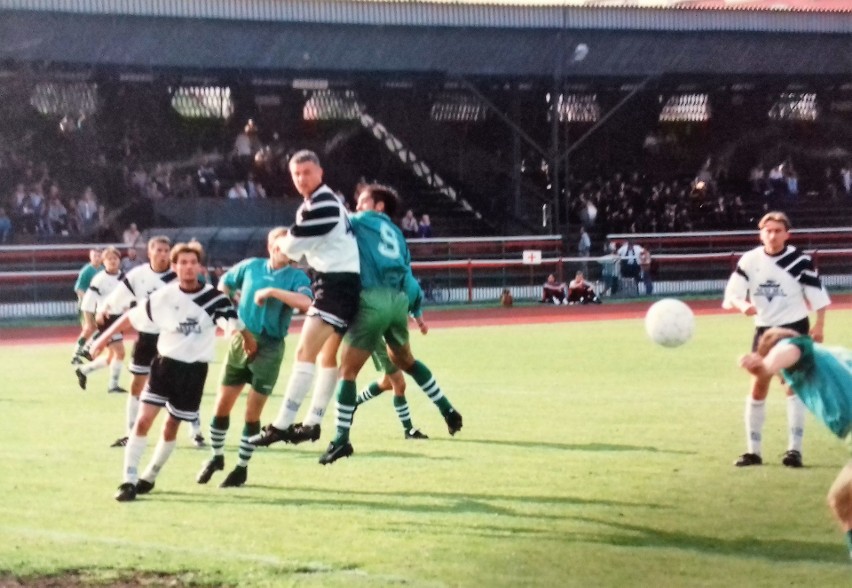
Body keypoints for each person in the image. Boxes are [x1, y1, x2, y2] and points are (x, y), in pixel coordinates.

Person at [91, 241, 254, 502]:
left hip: (194, 372)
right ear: (175, 267)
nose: (188, 267)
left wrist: (239, 336)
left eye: (193, 263)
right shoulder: (164, 296)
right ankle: (128, 480)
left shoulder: (214, 297)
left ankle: (150, 476)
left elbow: (233, 323)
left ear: (200, 267)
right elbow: (130, 317)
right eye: (183, 263)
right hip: (164, 366)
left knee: (171, 426)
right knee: (144, 421)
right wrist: (101, 340)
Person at [316, 183, 462, 465]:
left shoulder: (357, 222)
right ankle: (447, 410)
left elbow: (332, 219)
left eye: (362, 201)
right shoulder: (397, 233)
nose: (357, 206)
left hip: (372, 299)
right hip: (398, 301)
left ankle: (340, 440)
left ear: (378, 205)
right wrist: (416, 309)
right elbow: (408, 275)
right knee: (407, 362)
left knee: (347, 372)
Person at [247, 150, 360, 447]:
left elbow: (290, 250)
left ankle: (282, 425)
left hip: (335, 286)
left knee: (304, 354)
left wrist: (283, 243)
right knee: (325, 357)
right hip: (340, 284)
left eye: (307, 172)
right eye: (296, 174)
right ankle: (312, 423)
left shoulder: (321, 204)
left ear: (320, 173)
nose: (301, 179)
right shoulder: (321, 203)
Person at [196, 228, 312, 488]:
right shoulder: (251, 266)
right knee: (221, 407)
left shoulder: (296, 276)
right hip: (240, 340)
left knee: (252, 413)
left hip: (270, 348)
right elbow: (223, 284)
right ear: (272, 246)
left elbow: (306, 303)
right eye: (284, 246)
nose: (289, 251)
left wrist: (272, 292)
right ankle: (216, 457)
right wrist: (227, 319)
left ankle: (241, 468)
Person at [723, 211, 831, 468]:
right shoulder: (750, 260)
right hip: (764, 332)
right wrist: (742, 305)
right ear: (761, 234)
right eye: (767, 230)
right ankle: (753, 451)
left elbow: (818, 294)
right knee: (758, 386)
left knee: (792, 386)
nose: (772, 235)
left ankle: (794, 450)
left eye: (777, 231)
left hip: (794, 329)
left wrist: (820, 325)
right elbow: (733, 293)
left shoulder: (798, 260)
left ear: (787, 234)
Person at [739, 329, 852, 559]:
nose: (781, 381)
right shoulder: (835, 354)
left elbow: (788, 350)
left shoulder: (795, 349)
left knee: (842, 501)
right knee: (841, 500)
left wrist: (765, 367)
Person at [99, 236, 207, 449]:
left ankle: (195, 431)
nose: (163, 254)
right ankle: (130, 432)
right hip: (147, 337)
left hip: (173, 338)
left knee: (183, 386)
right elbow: (119, 295)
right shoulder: (138, 275)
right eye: (158, 250)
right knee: (137, 384)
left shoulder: (178, 276)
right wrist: (105, 307)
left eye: (166, 250)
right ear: (149, 253)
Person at [354, 271, 461, 441]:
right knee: (399, 382)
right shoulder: (410, 284)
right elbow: (413, 304)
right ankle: (409, 430)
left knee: (387, 383)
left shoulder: (388, 278)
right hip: (374, 330)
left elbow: (414, 306)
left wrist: (420, 323)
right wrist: (420, 323)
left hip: (379, 326)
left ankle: (352, 403)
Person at [74, 247, 127, 394]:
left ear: (119, 261)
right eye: (109, 259)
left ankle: (83, 370)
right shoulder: (99, 279)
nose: (112, 261)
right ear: (104, 262)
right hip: (106, 319)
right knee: (120, 352)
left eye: (115, 259)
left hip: (118, 318)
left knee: (112, 356)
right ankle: (112, 386)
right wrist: (89, 320)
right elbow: (88, 300)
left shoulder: (123, 277)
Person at [71, 249, 102, 364]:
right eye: (95, 256)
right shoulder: (86, 271)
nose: (97, 258)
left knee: (101, 328)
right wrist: (89, 300)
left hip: (99, 306)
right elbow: (79, 288)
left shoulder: (103, 270)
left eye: (99, 255)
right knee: (89, 328)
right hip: (87, 306)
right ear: (90, 257)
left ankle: (86, 349)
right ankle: (77, 353)